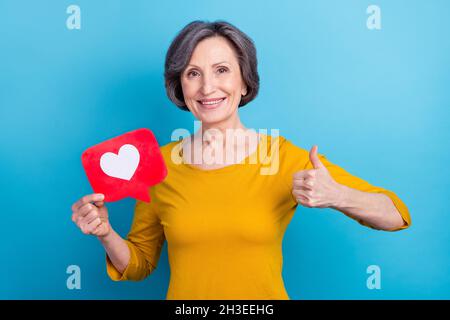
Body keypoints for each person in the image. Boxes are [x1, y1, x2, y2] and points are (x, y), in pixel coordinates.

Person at [71, 20, 411, 300]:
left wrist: (337, 195)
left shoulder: (282, 158)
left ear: (245, 82)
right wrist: (105, 233)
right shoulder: (157, 165)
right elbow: (139, 264)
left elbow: (395, 215)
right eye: (193, 73)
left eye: (221, 70)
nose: (207, 87)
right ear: (180, 86)